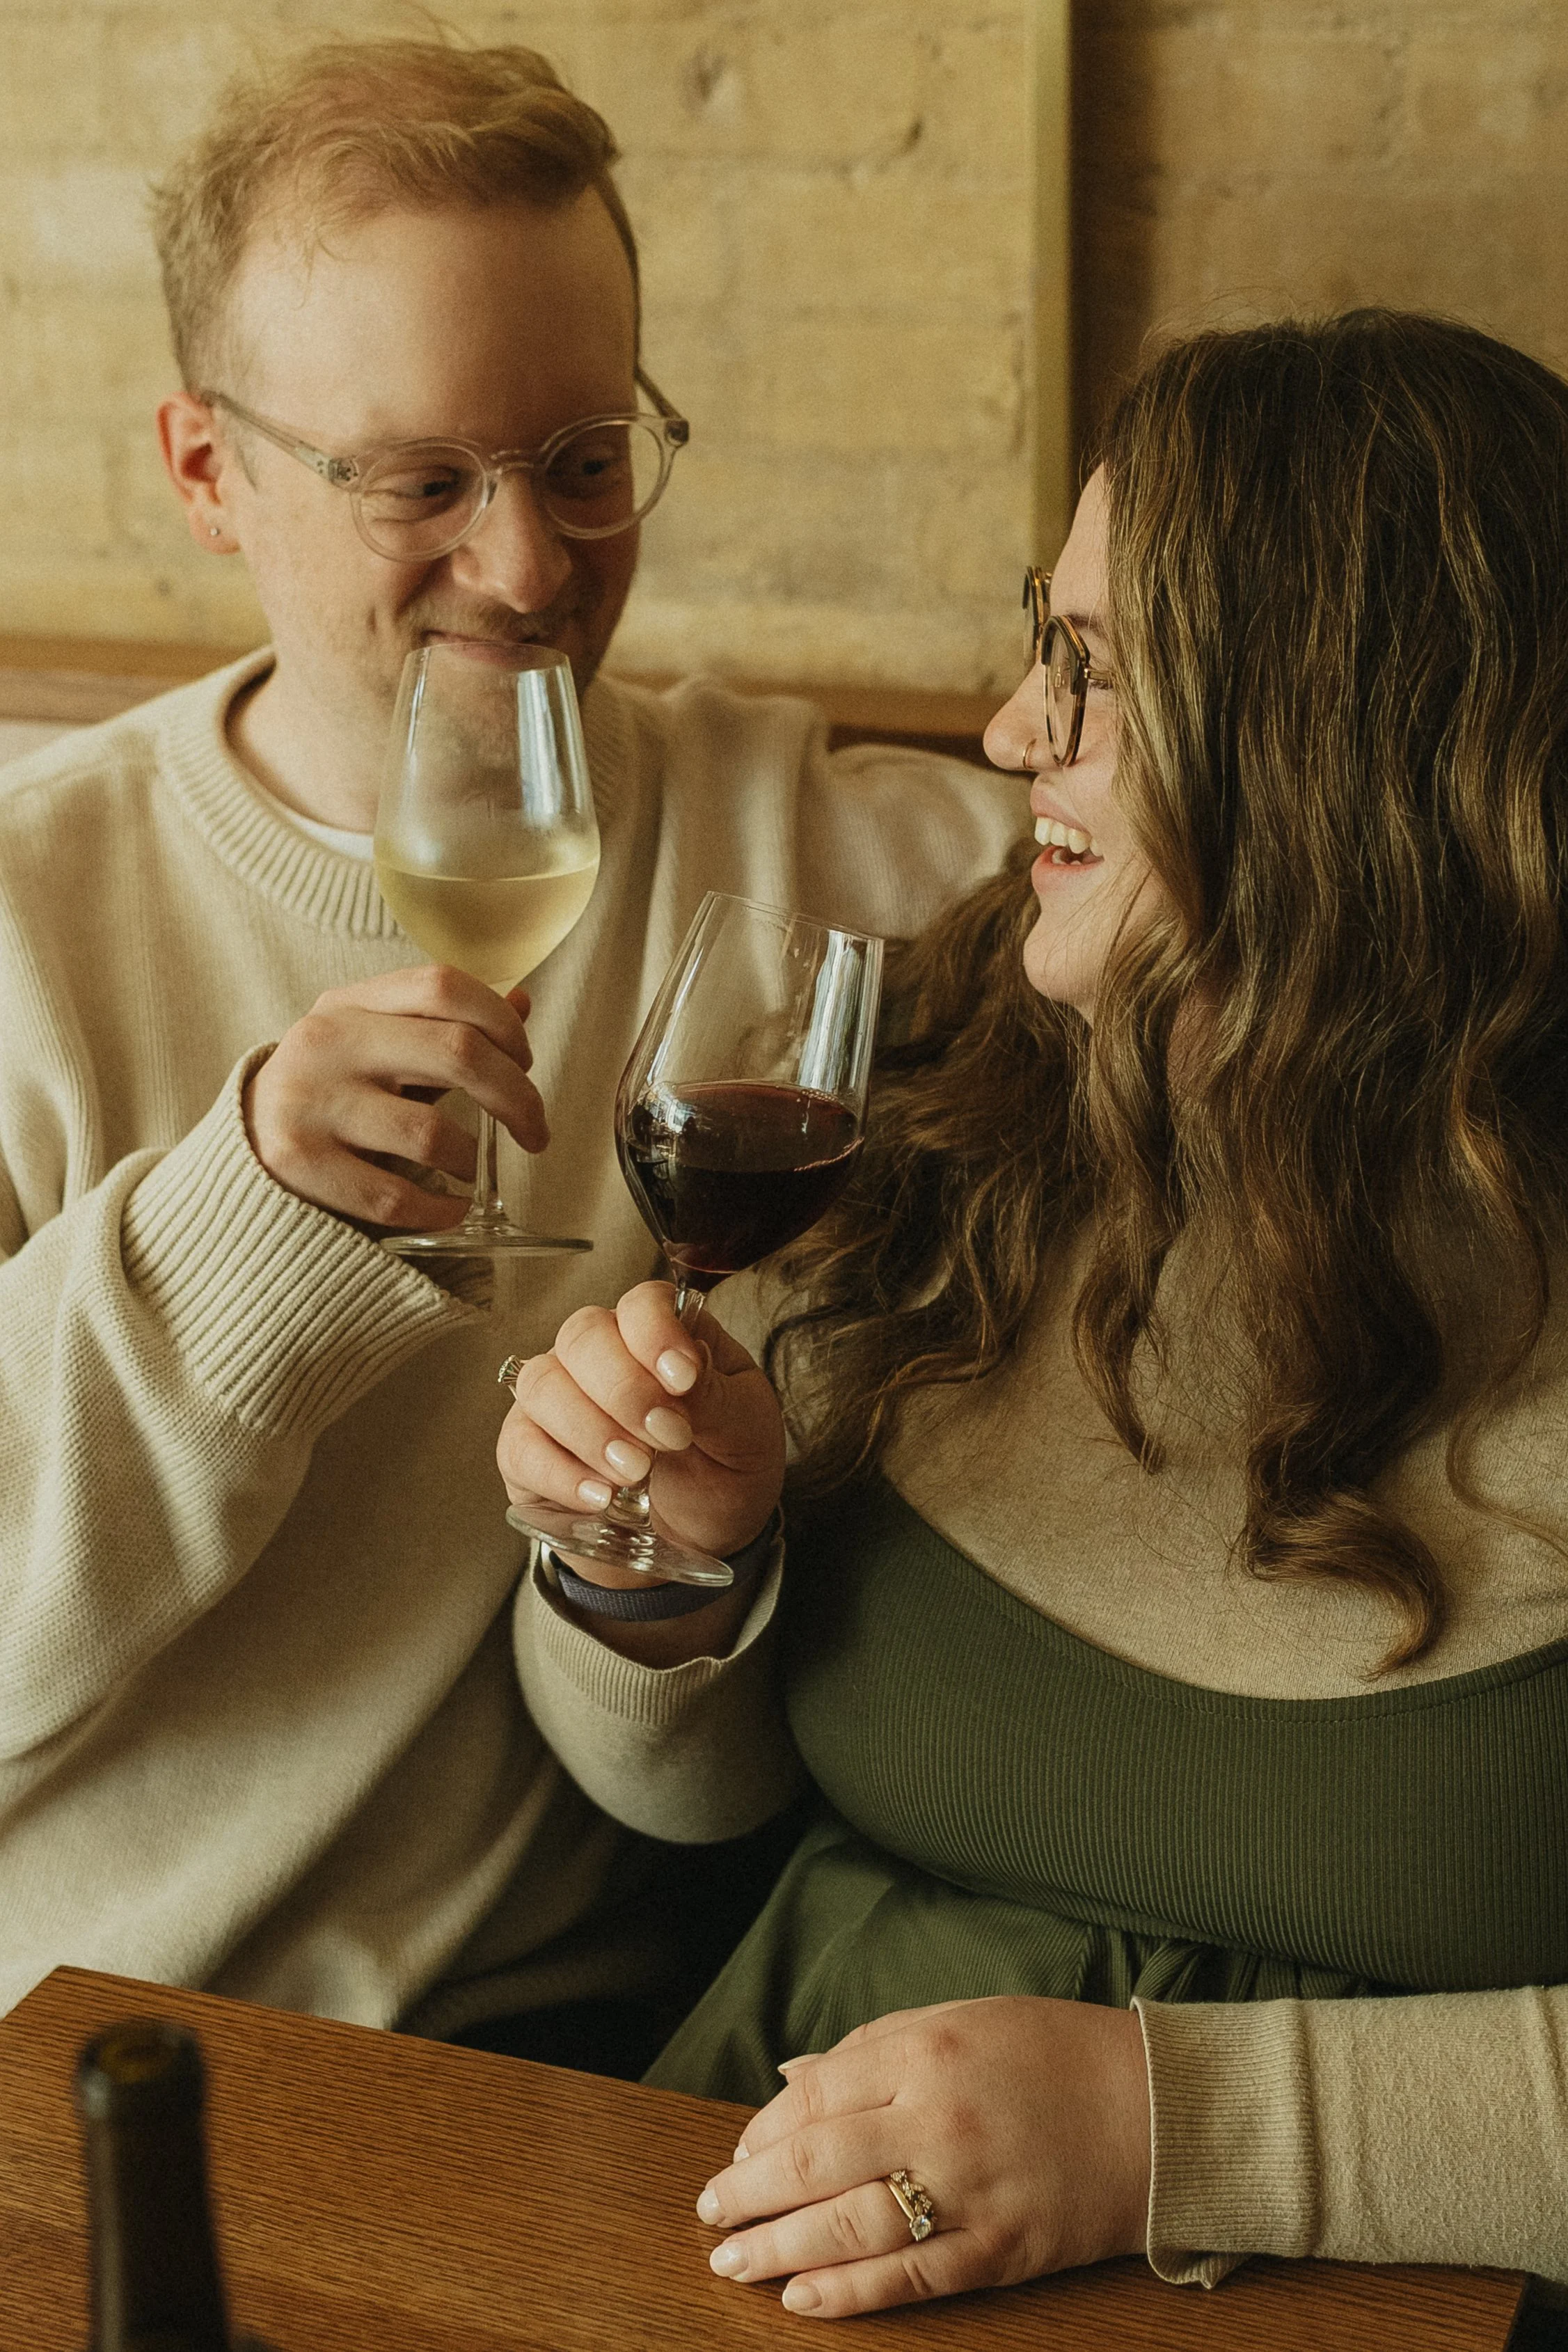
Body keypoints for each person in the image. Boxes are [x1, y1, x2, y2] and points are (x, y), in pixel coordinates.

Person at [498, 310, 1568, 2317]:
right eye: (1034, 641)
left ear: (1342, 741)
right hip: (714, 2233)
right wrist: (656, 1573)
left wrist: (1166, 2126)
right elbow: (684, 1805)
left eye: (1096, 670)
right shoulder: (934, 1098)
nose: (1007, 732)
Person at [0, 36, 1024, 2046]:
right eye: (419, 481)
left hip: (564, 2079)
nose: (532, 567)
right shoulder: (33, 919)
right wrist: (241, 1231)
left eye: (580, 456)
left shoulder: (808, 853)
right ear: (208, 471)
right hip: (79, 2032)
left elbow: (1233, 861)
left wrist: (652, 1578)